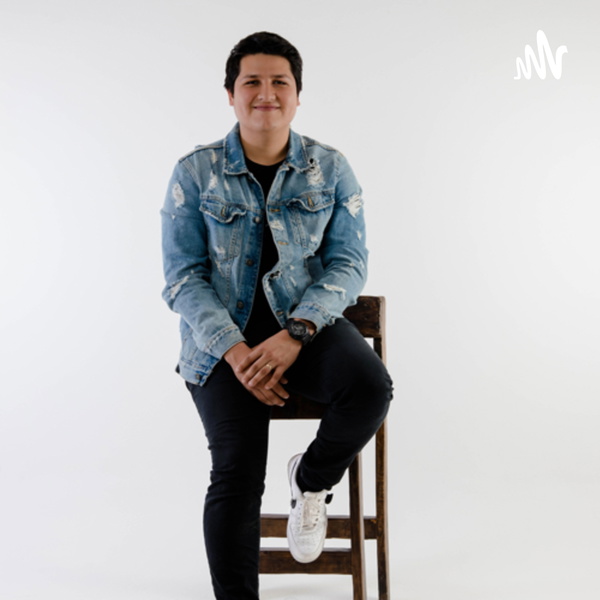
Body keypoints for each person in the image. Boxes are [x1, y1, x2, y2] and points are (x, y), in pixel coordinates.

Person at [161, 31, 393, 600]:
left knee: (370, 388)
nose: (266, 93)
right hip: (222, 346)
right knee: (236, 473)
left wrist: (297, 333)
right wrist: (236, 351)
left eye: (279, 82)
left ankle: (310, 482)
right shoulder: (195, 172)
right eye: (252, 82)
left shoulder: (330, 168)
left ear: (297, 95)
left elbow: (348, 262)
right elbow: (183, 277)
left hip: (306, 329)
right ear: (231, 94)